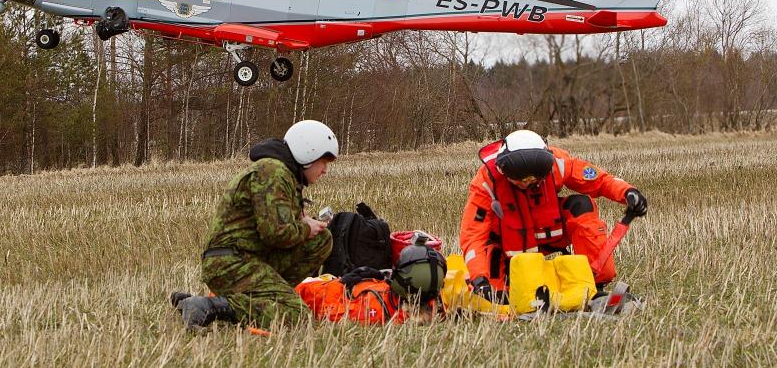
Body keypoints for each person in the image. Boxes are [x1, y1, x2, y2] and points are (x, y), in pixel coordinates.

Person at [172, 120, 338, 330]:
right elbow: (275, 234)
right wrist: (306, 228)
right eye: (324, 162)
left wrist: (303, 224)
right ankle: (211, 306)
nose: (325, 171)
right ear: (308, 155)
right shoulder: (273, 172)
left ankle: (266, 299)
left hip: (245, 258)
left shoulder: (282, 174)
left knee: (322, 240)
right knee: (298, 318)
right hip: (231, 262)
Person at [459, 129, 648, 300]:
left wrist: (628, 192)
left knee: (581, 205)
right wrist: (479, 278)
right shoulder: (486, 182)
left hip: (550, 235)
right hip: (509, 248)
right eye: (521, 180)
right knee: (494, 296)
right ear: (505, 170)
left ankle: (594, 283)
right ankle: (498, 287)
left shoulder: (557, 164)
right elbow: (473, 234)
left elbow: (599, 180)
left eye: (534, 179)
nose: (527, 183)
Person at [295, 237, 447, 325]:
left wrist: (341, 283)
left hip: (317, 290)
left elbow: (318, 299)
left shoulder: (373, 306)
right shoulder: (439, 305)